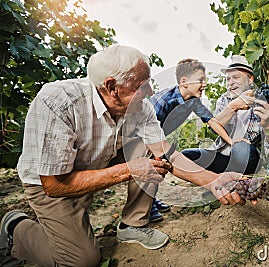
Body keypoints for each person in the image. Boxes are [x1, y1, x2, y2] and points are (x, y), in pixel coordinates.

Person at [0, 45, 246, 267]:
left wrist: (213, 180)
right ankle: (16, 228)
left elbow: (164, 151)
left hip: (97, 166)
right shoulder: (59, 102)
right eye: (143, 85)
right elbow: (54, 185)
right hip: (52, 185)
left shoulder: (141, 106)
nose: (150, 91)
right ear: (111, 87)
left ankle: (132, 225)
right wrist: (128, 170)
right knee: (83, 261)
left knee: (150, 150)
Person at [149, 58, 234, 221]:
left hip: (160, 134)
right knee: (154, 162)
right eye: (200, 80)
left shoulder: (194, 101)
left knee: (161, 161)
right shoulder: (164, 100)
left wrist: (230, 142)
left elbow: (211, 121)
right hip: (145, 134)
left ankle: (151, 199)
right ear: (184, 82)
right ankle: (147, 206)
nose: (205, 84)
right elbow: (148, 129)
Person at [182, 55, 269, 175]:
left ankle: (231, 181)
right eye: (228, 79)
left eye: (236, 77)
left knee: (240, 147)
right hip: (223, 155)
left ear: (250, 79)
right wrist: (232, 107)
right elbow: (213, 127)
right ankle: (223, 178)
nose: (231, 83)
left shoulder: (263, 103)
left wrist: (267, 126)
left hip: (247, 157)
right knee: (186, 155)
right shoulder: (224, 99)